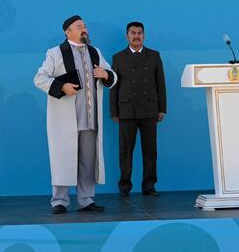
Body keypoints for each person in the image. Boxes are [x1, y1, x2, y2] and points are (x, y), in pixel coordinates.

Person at [34, 15, 118, 214]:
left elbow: (111, 75)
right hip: (66, 119)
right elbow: (39, 78)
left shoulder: (95, 52)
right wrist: (62, 86)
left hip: (90, 118)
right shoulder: (55, 53)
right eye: (79, 26)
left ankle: (86, 200)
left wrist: (106, 74)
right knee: (63, 159)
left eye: (85, 26)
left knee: (88, 162)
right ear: (68, 31)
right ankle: (59, 201)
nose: (84, 29)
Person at [110, 21, 167, 197]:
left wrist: (162, 108)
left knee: (150, 151)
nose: (136, 36)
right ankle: (124, 187)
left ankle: (149, 186)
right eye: (133, 33)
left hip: (149, 108)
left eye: (139, 33)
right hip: (127, 109)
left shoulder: (154, 56)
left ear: (144, 35)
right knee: (125, 151)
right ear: (127, 36)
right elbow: (114, 87)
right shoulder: (118, 57)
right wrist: (114, 111)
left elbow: (160, 84)